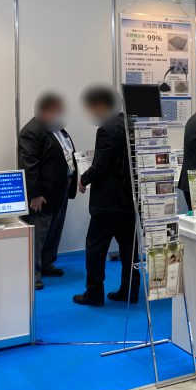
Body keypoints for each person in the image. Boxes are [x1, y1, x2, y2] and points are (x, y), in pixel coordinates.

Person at [73, 85, 138, 307]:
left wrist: (84, 179)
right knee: (129, 249)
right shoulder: (130, 123)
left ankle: (94, 293)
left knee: (95, 247)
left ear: (102, 106)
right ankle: (130, 290)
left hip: (108, 202)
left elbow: (101, 165)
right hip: (129, 199)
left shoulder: (107, 128)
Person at [18, 92, 78, 290]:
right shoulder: (32, 131)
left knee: (54, 230)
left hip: (60, 187)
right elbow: (29, 166)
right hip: (43, 193)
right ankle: (33, 273)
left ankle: (47, 264)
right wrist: (34, 194)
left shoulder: (58, 129)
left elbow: (66, 154)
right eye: (58, 110)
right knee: (39, 233)